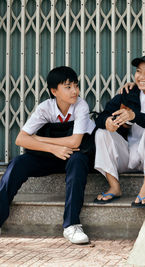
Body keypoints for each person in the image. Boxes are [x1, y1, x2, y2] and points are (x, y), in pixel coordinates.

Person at [0, 66, 96, 244]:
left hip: (76, 157)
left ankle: (71, 225)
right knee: (18, 163)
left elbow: (75, 142)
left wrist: (39, 139)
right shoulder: (45, 108)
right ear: (54, 91)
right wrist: (53, 149)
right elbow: (21, 139)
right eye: (68, 87)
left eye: (76, 85)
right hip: (50, 157)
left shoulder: (81, 106)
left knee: (77, 160)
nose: (74, 90)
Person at [94, 54, 145, 207]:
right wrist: (107, 122)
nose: (141, 77)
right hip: (128, 153)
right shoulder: (129, 92)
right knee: (101, 132)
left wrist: (134, 116)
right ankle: (114, 186)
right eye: (138, 71)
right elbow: (101, 116)